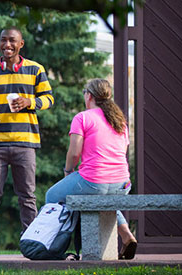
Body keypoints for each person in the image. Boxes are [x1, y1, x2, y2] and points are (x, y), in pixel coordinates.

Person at [0, 26, 54, 259]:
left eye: (12, 41)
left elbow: (48, 99)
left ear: (21, 44)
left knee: (27, 195)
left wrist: (29, 102)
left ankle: (32, 243)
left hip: (25, 142)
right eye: (3, 40)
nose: (7, 45)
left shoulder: (35, 69)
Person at [44, 79, 137, 260]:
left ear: (89, 95)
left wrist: (68, 172)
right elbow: (122, 152)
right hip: (122, 184)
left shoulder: (83, 117)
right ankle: (126, 235)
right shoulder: (120, 121)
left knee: (52, 196)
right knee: (104, 200)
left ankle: (51, 247)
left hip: (94, 180)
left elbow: (74, 153)